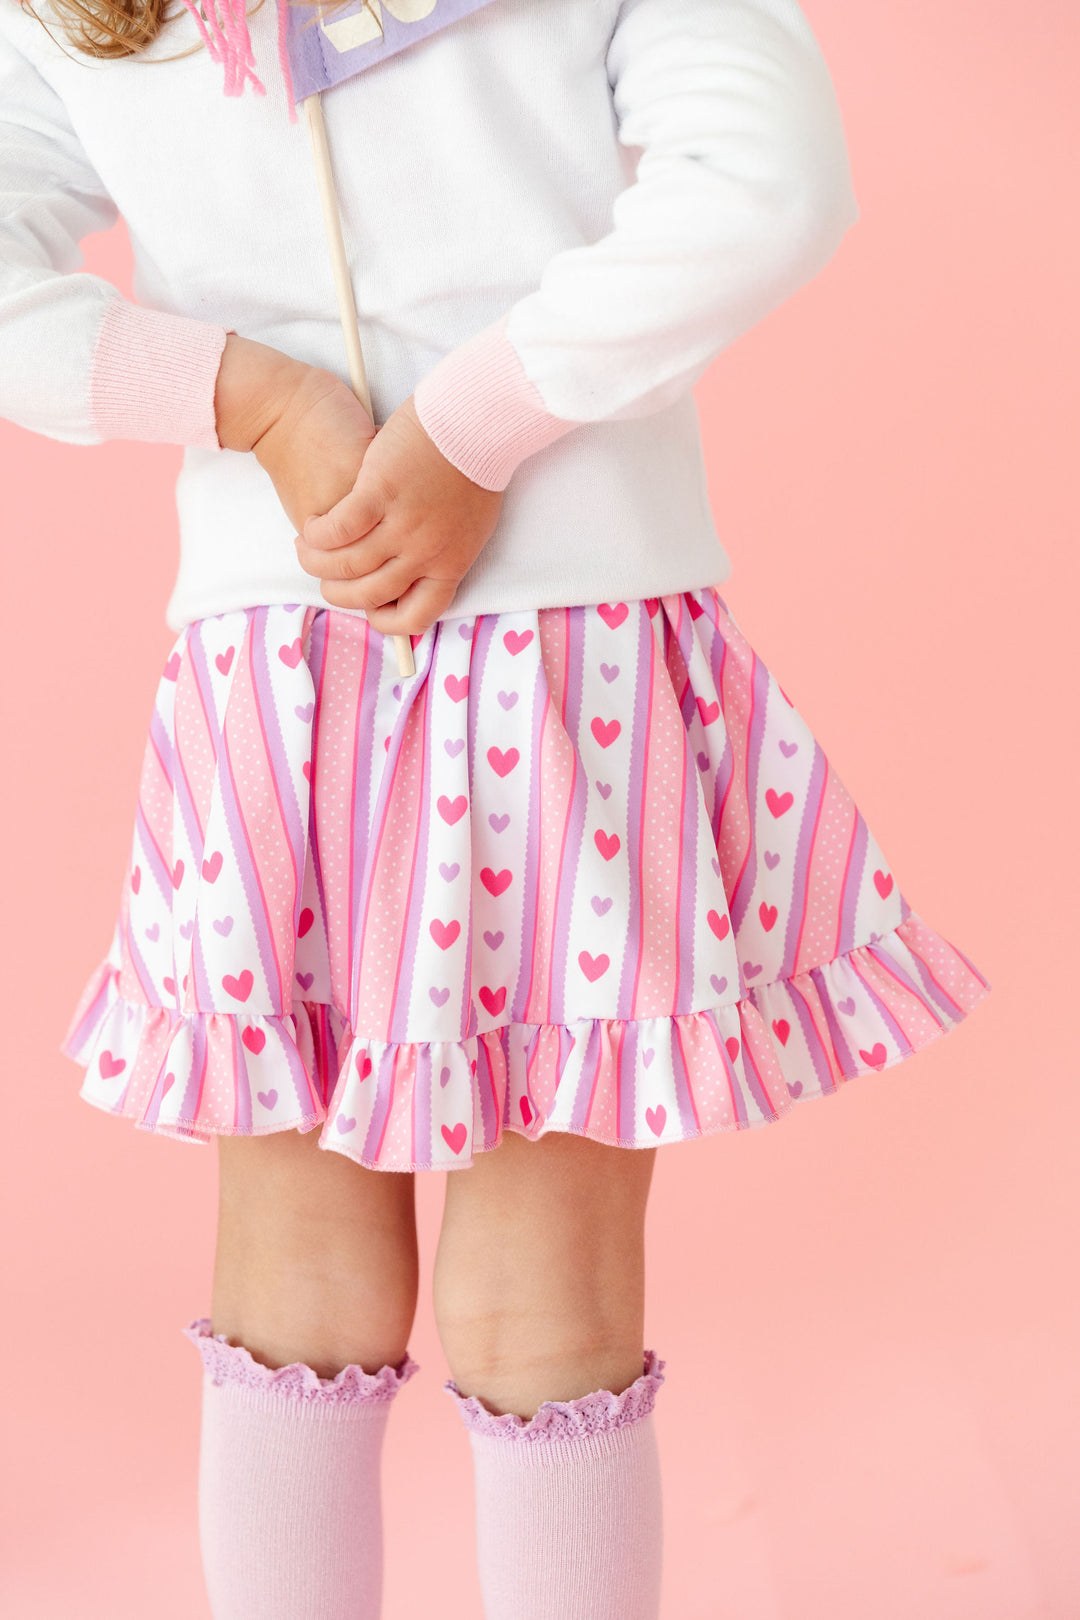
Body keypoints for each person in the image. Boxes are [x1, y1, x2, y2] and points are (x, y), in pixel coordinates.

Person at [1, 0, 991, 1614]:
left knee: (298, 1269)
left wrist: (262, 397)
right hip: (572, 644)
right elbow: (770, 179)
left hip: (286, 648)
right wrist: (461, 411)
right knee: (549, 1287)